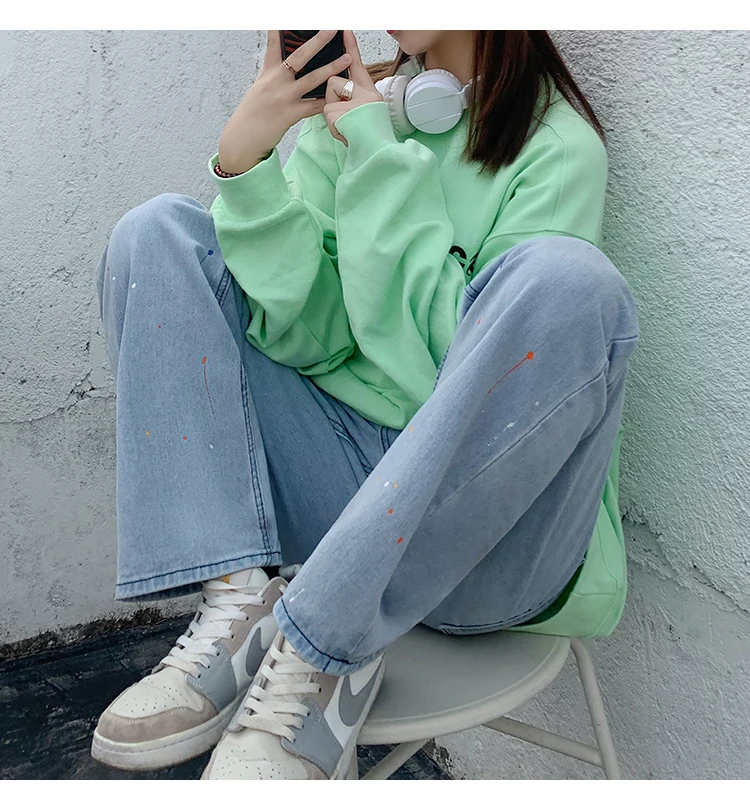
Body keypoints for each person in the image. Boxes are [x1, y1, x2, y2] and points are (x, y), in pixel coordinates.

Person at [91, 30, 639, 779]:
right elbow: (308, 337)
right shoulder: (351, 117)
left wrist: (379, 159)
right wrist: (247, 166)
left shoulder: (558, 151)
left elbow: (452, 383)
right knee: (156, 233)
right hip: (348, 508)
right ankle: (238, 607)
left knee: (571, 280)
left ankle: (319, 647)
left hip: (489, 548)